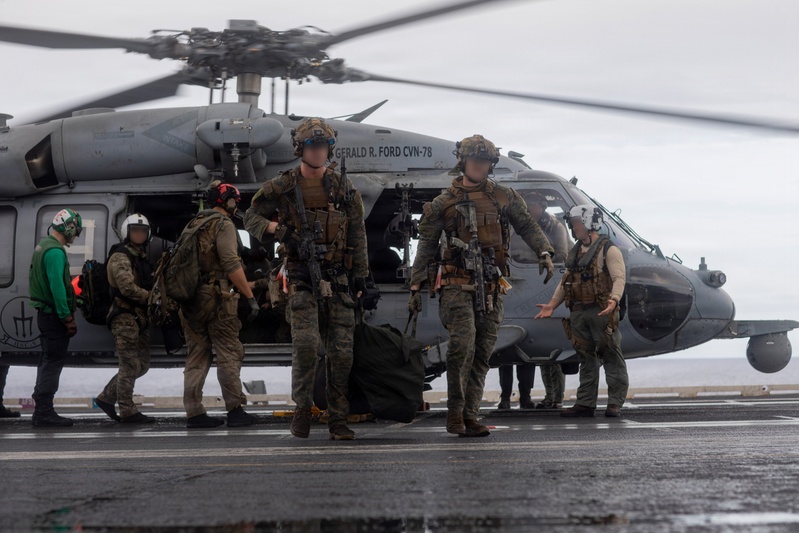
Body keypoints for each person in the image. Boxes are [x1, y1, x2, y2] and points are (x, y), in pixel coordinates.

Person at [408, 134, 555, 437]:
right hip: (456, 285)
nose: (479, 166)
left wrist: (544, 250)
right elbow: (426, 244)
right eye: (475, 161)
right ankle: (454, 415)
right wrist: (415, 285)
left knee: (482, 353)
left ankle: (470, 415)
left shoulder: (504, 196)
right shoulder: (444, 203)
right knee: (462, 347)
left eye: (485, 162)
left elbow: (527, 224)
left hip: (491, 287)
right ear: (463, 161)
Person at [244, 117, 369, 441]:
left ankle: (337, 419)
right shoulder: (284, 185)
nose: (319, 152)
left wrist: (362, 279)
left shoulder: (344, 187)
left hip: (337, 277)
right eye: (313, 146)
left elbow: (357, 233)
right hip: (300, 276)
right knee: (306, 347)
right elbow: (251, 215)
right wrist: (279, 230)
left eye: (324, 146)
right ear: (301, 148)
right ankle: (302, 410)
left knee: (342, 353)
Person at [534, 204, 628, 417]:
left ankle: (615, 403)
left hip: (601, 312)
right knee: (585, 358)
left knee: (611, 355)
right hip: (578, 311)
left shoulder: (608, 250)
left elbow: (619, 278)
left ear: (588, 223)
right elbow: (566, 282)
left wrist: (614, 300)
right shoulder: (575, 253)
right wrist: (552, 305)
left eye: (576, 223)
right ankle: (585, 403)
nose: (573, 227)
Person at [179, 181, 259, 429]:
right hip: (218, 298)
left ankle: (194, 412)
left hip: (191, 299)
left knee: (196, 356)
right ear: (230, 202)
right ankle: (235, 409)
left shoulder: (193, 225)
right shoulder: (222, 224)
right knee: (228, 353)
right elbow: (230, 263)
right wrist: (250, 297)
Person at [499, 191, 569, 409]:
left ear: (542, 207)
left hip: (544, 286)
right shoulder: (511, 225)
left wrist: (539, 259)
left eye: (534, 207)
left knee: (537, 351)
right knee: (504, 351)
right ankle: (505, 398)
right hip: (515, 289)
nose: (531, 211)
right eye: (527, 206)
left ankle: (539, 397)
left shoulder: (554, 227)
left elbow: (562, 256)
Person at [95, 214, 156, 424]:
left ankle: (106, 397)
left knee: (143, 365)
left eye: (142, 231)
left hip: (138, 317)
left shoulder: (140, 256)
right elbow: (127, 288)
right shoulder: (121, 256)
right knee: (129, 364)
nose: (139, 234)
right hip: (124, 316)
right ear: (126, 232)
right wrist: (153, 298)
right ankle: (127, 410)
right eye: (135, 231)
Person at [28, 208, 82, 427]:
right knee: (53, 363)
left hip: (46, 314)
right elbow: (57, 287)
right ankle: (44, 412)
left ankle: (41, 408)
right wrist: (67, 317)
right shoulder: (55, 252)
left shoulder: (43, 246)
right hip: (53, 317)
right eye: (75, 230)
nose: (76, 235)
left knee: (47, 360)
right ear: (67, 227)